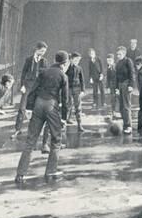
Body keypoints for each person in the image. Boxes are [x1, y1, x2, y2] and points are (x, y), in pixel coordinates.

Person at [15, 51, 70, 183]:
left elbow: (33, 90)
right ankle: (50, 172)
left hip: (38, 105)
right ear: (65, 63)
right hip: (51, 106)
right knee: (56, 140)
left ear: (55, 60)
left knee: (30, 141)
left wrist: (28, 108)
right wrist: (63, 118)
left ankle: (20, 174)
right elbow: (65, 99)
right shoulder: (63, 75)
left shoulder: (43, 72)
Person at [12, 41, 48, 139]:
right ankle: (17, 129)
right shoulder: (28, 60)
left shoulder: (44, 61)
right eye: (41, 50)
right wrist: (22, 85)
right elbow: (23, 73)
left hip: (38, 87)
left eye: (44, 51)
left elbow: (45, 75)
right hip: (28, 86)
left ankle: (33, 130)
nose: (43, 53)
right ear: (36, 49)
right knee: (22, 108)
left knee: (36, 109)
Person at [115, 46, 136, 135]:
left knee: (126, 106)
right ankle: (125, 124)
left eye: (120, 54)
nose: (118, 56)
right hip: (120, 85)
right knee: (121, 106)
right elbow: (116, 76)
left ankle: (128, 126)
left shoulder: (128, 61)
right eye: (117, 54)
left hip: (127, 84)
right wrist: (116, 88)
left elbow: (132, 73)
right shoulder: (118, 63)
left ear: (124, 54)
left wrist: (131, 85)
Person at [66, 52, 86, 132]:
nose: (77, 61)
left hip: (77, 90)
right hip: (68, 89)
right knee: (68, 105)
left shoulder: (79, 68)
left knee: (78, 107)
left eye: (78, 60)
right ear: (71, 59)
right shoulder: (67, 68)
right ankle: (65, 122)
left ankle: (79, 125)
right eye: (75, 60)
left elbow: (82, 80)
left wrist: (83, 90)